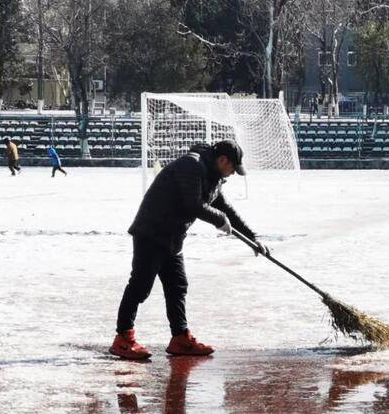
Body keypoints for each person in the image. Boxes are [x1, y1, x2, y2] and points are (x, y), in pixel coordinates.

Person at [109, 140, 270, 360]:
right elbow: (192, 204)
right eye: (233, 168)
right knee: (140, 285)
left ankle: (180, 338)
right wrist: (218, 219)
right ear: (223, 160)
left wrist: (253, 238)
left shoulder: (213, 177)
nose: (232, 174)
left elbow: (225, 208)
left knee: (177, 286)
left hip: (173, 236)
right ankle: (123, 338)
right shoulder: (191, 166)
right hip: (152, 232)